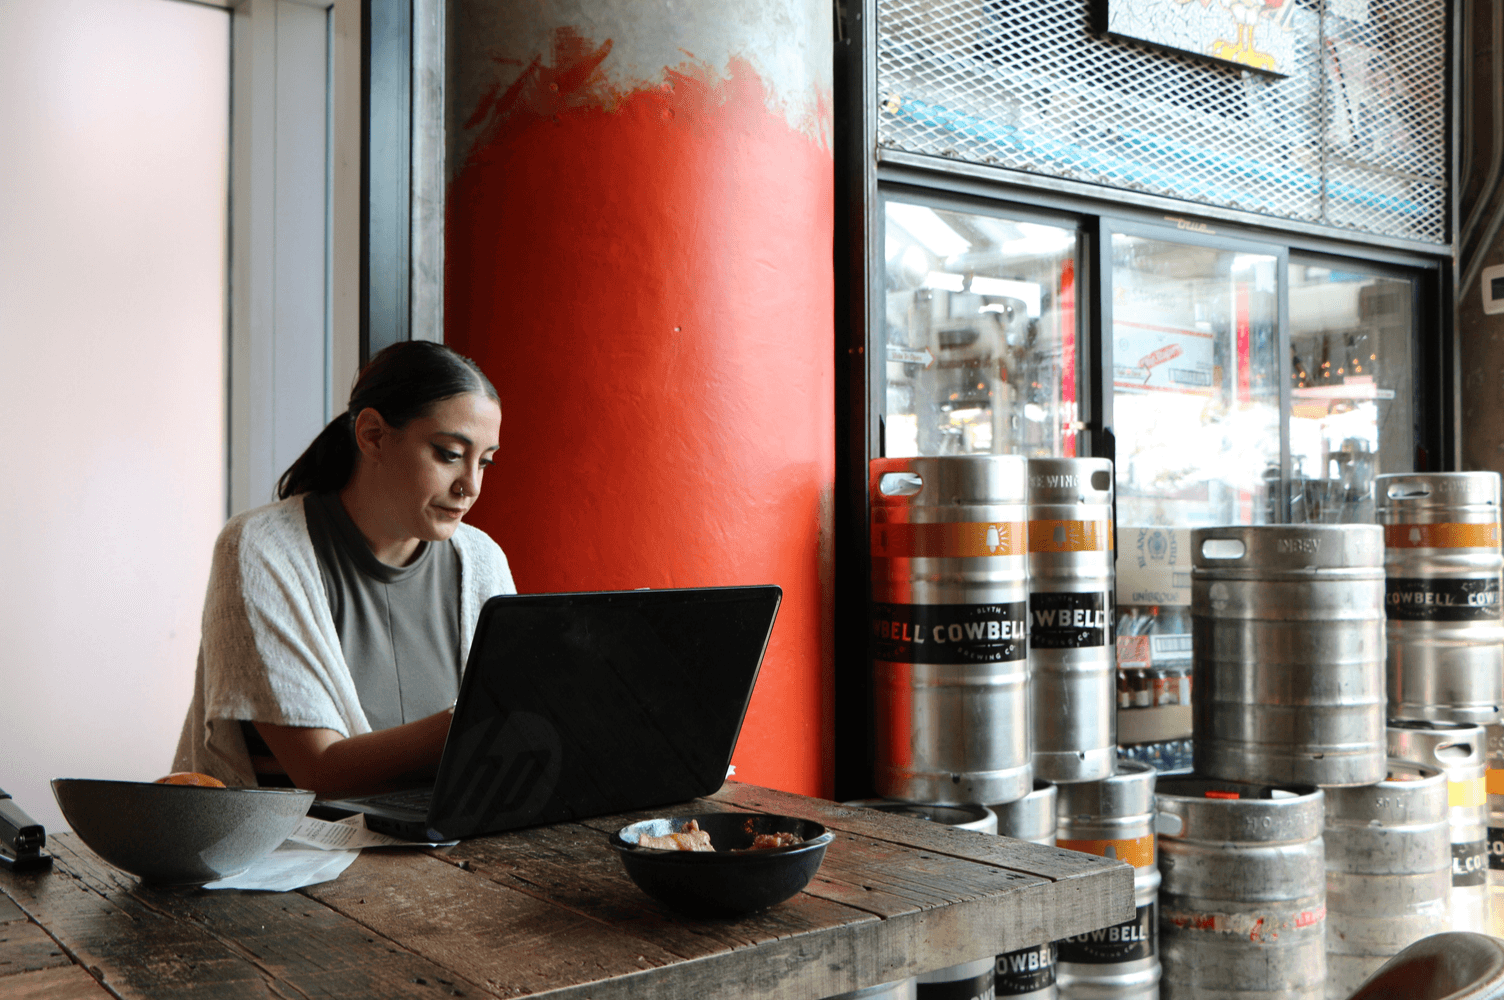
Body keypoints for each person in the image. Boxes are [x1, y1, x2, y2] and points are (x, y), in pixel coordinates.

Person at [172, 341, 514, 797]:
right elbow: (319, 772)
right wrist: (479, 720)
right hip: (302, 858)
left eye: (485, 462)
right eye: (450, 453)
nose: (470, 486)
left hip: (453, 850)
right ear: (372, 434)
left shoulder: (483, 560)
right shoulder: (261, 549)